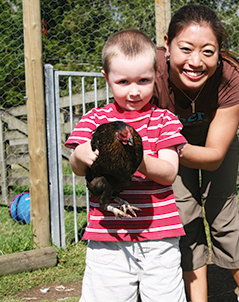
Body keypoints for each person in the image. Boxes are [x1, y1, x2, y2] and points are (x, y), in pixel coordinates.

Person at [65, 29, 188, 302]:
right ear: (106, 78)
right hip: (107, 237)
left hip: (159, 235)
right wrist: (79, 156)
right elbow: (76, 167)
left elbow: (169, 173)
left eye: (143, 80)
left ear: (157, 75)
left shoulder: (164, 121)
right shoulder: (93, 120)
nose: (134, 91)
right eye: (123, 82)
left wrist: (136, 158)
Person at [152, 4, 239, 302]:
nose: (195, 62)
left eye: (208, 52)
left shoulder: (231, 77)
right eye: (185, 49)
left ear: (220, 51)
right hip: (169, 146)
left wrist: (172, 147)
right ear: (167, 45)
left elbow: (214, 154)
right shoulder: (151, 72)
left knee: (223, 211)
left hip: (211, 142)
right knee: (183, 213)